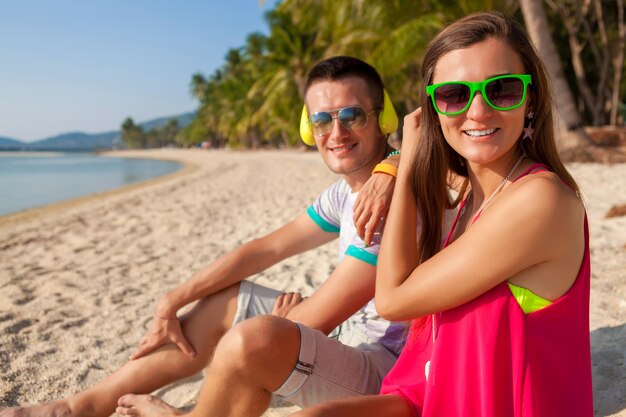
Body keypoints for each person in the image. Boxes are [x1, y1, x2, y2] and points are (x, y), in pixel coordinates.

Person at [0, 56, 408, 417]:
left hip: (381, 365)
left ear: (382, 118)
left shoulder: (390, 198)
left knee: (255, 339)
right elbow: (264, 249)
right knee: (225, 302)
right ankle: (81, 407)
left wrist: (287, 322)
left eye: (351, 115)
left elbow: (317, 317)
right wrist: (172, 300)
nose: (335, 132)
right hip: (345, 336)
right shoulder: (348, 191)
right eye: (322, 119)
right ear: (308, 127)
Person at [287, 11, 593, 417]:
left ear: (530, 98)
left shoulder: (540, 200)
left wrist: (406, 161)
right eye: (454, 95)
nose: (478, 111)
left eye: (501, 90)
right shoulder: (475, 193)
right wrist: (391, 165)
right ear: (433, 109)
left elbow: (393, 300)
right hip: (432, 398)